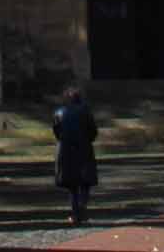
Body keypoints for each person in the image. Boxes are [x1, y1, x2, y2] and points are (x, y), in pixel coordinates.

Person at [52, 84, 99, 226]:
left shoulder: (59, 112)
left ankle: (75, 213)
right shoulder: (86, 111)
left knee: (72, 185)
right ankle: (82, 208)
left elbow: (56, 131)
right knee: (85, 182)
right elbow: (93, 131)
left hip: (66, 149)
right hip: (84, 148)